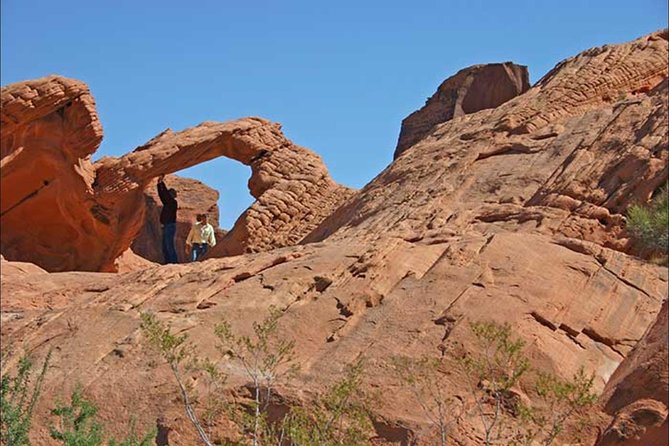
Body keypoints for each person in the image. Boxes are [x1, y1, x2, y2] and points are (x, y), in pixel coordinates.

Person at [157, 174, 178, 264]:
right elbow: (162, 195)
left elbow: (164, 195)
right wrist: (159, 184)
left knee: (169, 245)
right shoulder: (167, 202)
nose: (168, 194)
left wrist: (162, 183)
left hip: (170, 225)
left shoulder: (173, 202)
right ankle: (168, 262)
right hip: (166, 225)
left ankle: (173, 262)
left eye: (170, 193)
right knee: (165, 245)